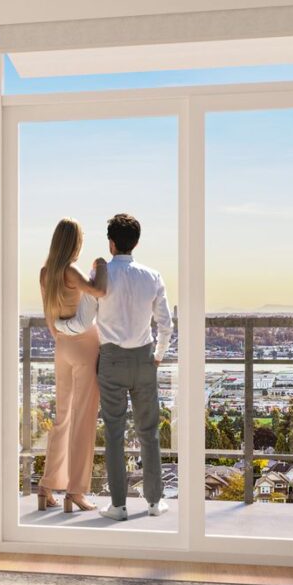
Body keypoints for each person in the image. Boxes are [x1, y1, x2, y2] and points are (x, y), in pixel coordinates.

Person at [91, 213, 173, 520]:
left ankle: (119, 505)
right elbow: (165, 324)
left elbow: (87, 317)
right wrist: (158, 355)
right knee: (148, 432)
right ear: (135, 243)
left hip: (111, 360)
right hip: (144, 358)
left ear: (111, 243)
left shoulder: (102, 274)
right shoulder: (152, 276)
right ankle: (154, 501)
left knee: (114, 433)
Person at [36, 219, 105, 513]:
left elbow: (50, 319)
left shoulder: (45, 273)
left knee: (62, 418)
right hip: (84, 345)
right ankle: (75, 492)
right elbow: (98, 292)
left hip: (61, 345)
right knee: (84, 420)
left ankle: (46, 487)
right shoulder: (70, 271)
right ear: (74, 242)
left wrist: (61, 335)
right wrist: (101, 265)